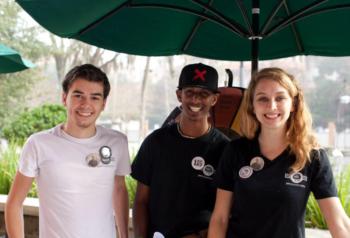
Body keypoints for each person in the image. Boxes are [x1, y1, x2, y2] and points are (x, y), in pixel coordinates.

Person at [208, 67, 350, 238]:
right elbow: (220, 219)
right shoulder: (235, 151)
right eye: (262, 99)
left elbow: (339, 222)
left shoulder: (312, 156)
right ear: (252, 106)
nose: (272, 106)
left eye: (280, 98)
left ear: (293, 104)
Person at [5, 64, 131, 238]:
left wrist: (124, 235)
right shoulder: (38, 143)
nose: (86, 104)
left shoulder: (117, 142)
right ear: (65, 98)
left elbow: (119, 189)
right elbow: (14, 203)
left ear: (103, 104)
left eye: (95, 97)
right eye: (78, 96)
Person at [131, 63, 230, 238]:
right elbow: (140, 201)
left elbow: (227, 212)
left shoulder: (225, 149)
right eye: (189, 92)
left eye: (204, 94)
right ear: (179, 95)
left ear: (214, 99)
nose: (195, 100)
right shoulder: (156, 142)